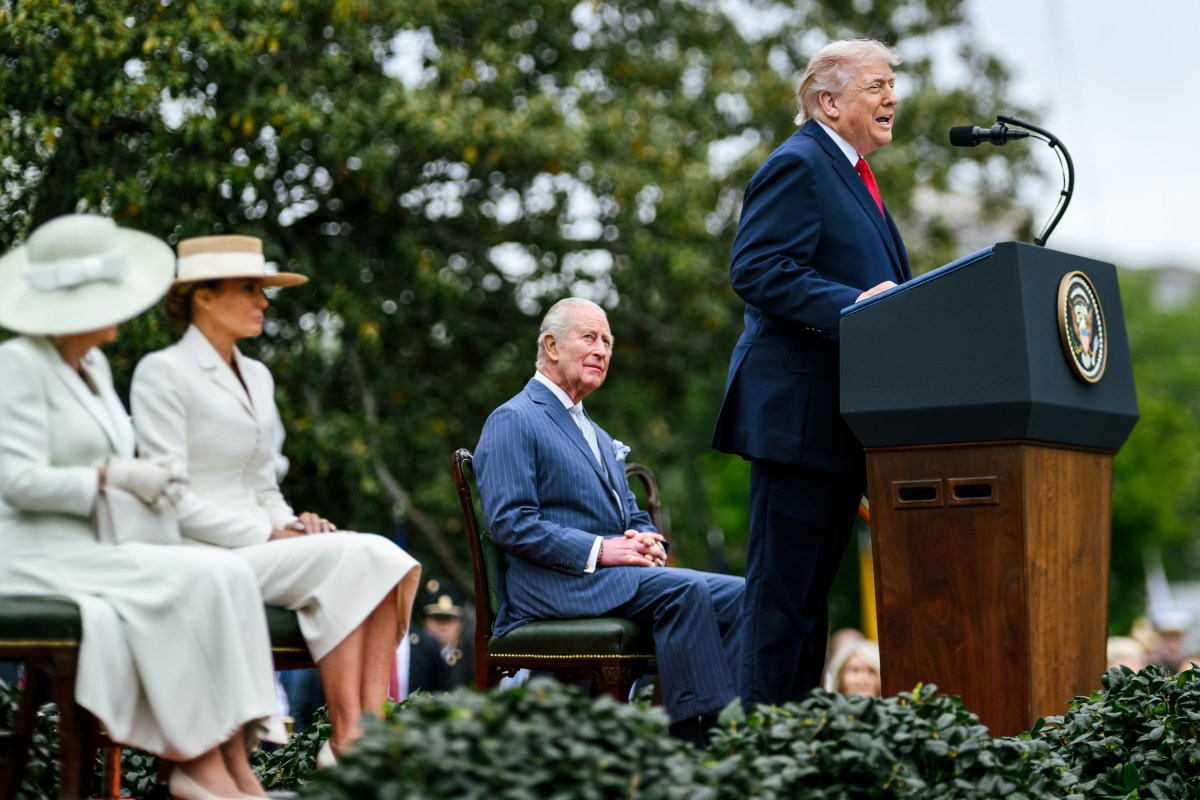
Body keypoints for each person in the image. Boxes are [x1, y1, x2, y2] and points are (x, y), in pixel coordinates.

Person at [0, 214, 284, 800]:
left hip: (96, 542)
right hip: (34, 554)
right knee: (180, 587)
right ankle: (194, 764)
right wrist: (111, 476)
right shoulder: (17, 366)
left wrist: (148, 479)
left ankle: (238, 763)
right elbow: (18, 482)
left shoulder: (96, 367)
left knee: (226, 575)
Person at [129, 234, 421, 764]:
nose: (263, 301)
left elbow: (263, 483)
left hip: (264, 548)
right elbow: (166, 496)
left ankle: (370, 731)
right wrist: (267, 533)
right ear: (204, 296)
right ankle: (349, 737)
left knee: (379, 552)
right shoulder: (162, 372)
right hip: (200, 550)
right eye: (249, 288)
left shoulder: (258, 377)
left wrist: (293, 522)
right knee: (354, 555)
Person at [712, 38, 912, 709]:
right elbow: (758, 269)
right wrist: (854, 305)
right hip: (797, 422)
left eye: (893, 84)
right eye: (876, 86)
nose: (892, 98)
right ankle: (759, 751)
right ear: (828, 101)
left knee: (807, 606)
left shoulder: (854, 176)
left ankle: (796, 746)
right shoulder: (800, 163)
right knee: (779, 604)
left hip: (837, 421)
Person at [474, 297, 745, 746]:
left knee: (744, 596)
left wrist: (649, 540)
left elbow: (630, 514)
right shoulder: (513, 419)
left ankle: (734, 725)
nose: (602, 349)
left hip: (611, 579)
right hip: (552, 585)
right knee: (686, 590)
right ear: (551, 345)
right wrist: (601, 550)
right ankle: (694, 744)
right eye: (590, 337)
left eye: (608, 341)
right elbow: (510, 522)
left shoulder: (596, 433)